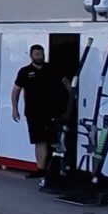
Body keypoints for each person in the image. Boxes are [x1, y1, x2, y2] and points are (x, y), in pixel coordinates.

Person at [11, 44, 71, 179]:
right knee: (39, 141)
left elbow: (67, 83)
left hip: (53, 112)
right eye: (37, 54)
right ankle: (41, 170)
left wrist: (72, 100)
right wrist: (14, 108)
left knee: (55, 140)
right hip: (33, 113)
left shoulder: (52, 68)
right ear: (31, 55)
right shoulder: (25, 72)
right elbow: (16, 91)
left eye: (41, 53)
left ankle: (58, 170)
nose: (40, 56)